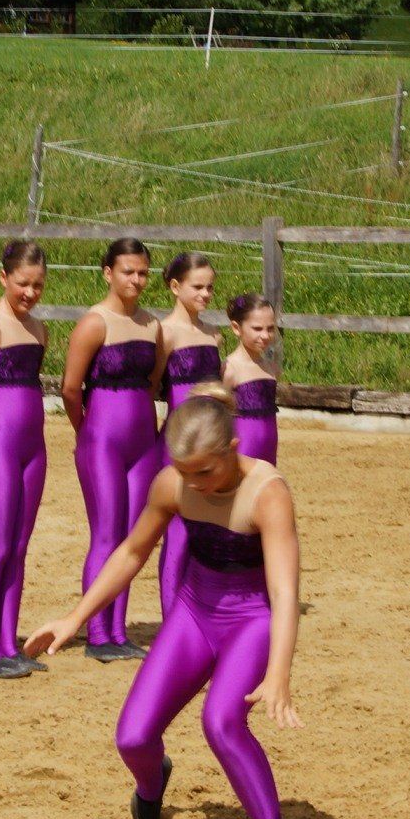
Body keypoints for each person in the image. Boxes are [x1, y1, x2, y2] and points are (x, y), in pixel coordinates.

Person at [25, 385, 309, 819]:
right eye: (184, 472)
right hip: (194, 612)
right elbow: (132, 552)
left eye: (205, 472)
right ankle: (153, 782)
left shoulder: (268, 493)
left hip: (252, 619)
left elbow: (285, 593)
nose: (194, 484)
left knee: (221, 722)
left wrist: (278, 673)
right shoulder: (172, 484)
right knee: (133, 737)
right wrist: (75, 618)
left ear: (234, 448)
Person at [62, 238, 167, 662]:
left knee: (132, 536)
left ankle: (118, 632)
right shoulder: (95, 323)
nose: (136, 280)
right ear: (108, 273)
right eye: (128, 272)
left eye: (143, 273)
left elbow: (153, 382)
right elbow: (71, 388)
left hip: (143, 442)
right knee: (106, 533)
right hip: (101, 439)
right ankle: (97, 633)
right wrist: (85, 432)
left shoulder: (152, 325)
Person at [0, 239, 51, 680]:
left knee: (19, 545)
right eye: (22, 283)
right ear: (3, 278)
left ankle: (7, 641)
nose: (30, 293)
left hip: (32, 447)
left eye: (38, 285)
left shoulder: (39, 330)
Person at [158, 252, 222, 615]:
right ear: (175, 286)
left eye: (210, 287)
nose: (206, 294)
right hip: (177, 443)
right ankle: (172, 616)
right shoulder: (165, 333)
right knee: (178, 531)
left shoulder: (213, 335)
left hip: (208, 443)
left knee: (204, 529)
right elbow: (153, 385)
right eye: (198, 287)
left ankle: (198, 609)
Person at [224, 293, 281, 463]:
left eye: (270, 328)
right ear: (236, 328)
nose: (265, 335)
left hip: (269, 447)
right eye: (257, 329)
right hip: (243, 450)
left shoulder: (271, 368)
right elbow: (220, 417)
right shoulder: (230, 369)